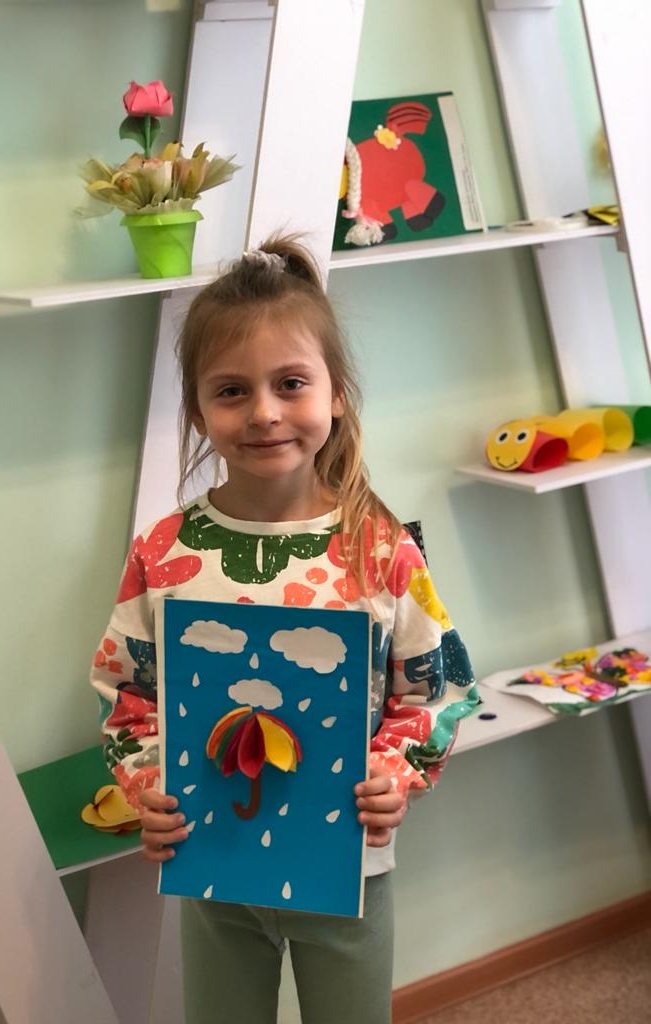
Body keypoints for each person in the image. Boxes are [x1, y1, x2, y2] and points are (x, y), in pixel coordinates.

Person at [90, 235, 479, 1024]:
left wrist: (393, 774)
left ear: (335, 394)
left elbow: (436, 688)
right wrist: (147, 785)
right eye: (232, 391)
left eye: (291, 383)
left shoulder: (380, 550)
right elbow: (128, 695)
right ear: (197, 409)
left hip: (347, 868)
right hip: (212, 863)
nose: (264, 412)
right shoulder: (164, 552)